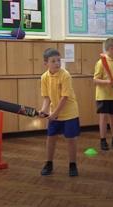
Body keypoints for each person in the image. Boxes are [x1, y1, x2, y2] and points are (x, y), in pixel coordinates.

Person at [39, 48, 80, 177]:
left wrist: (55, 113)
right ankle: (49, 163)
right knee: (51, 138)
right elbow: (46, 97)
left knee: (70, 139)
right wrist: (44, 110)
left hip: (69, 113)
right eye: (53, 61)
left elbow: (65, 97)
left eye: (58, 60)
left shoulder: (65, 75)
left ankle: (73, 165)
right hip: (55, 113)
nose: (57, 63)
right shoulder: (44, 77)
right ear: (46, 64)